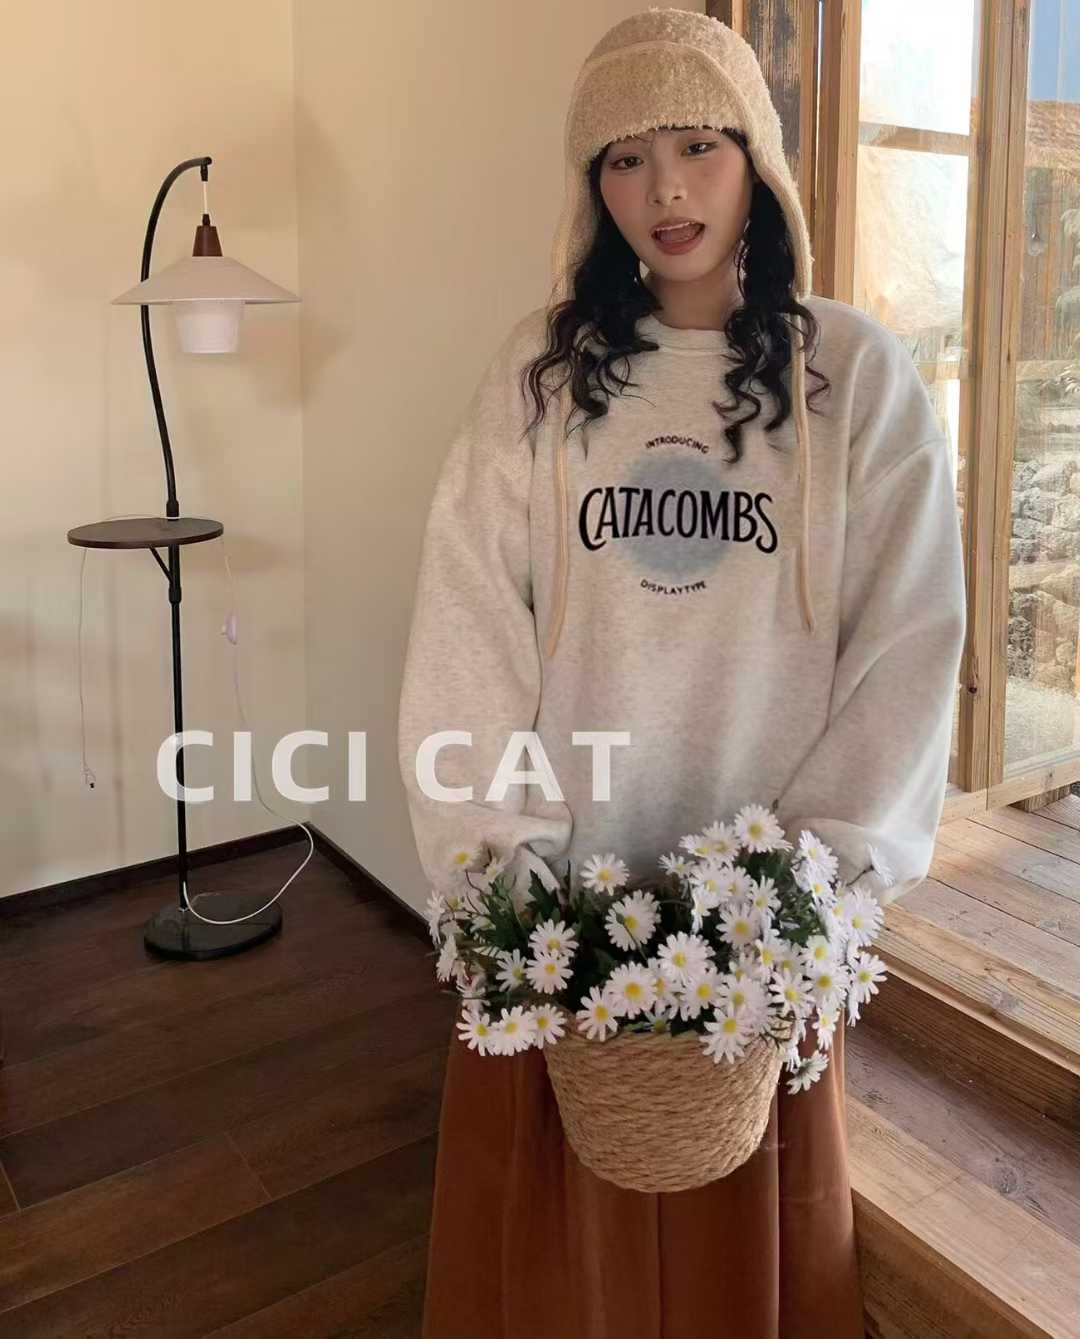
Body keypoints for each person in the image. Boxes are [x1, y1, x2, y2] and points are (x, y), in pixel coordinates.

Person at [397, 9, 967, 1338]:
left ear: (756, 159)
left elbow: (906, 644)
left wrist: (806, 895)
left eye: (699, 146)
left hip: (760, 932)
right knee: (554, 1261)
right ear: (591, 185)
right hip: (567, 911)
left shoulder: (854, 381)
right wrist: (507, 882)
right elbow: (468, 625)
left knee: (746, 1251)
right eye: (624, 158)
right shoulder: (539, 382)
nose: (664, 189)